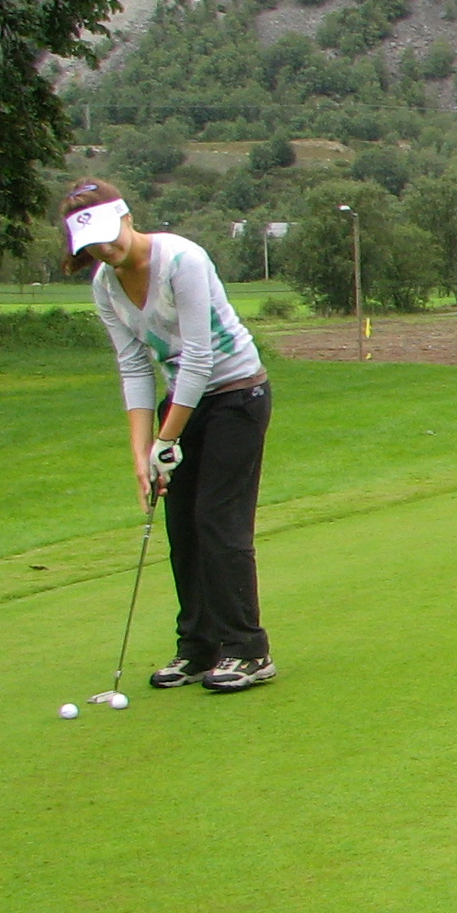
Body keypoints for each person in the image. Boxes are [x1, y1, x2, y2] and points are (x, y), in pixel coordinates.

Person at [63, 179, 277, 691]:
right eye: (90, 244)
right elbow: (134, 366)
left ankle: (247, 649)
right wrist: (142, 452)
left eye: (108, 235)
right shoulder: (105, 284)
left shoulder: (183, 259)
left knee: (217, 520)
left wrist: (166, 439)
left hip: (236, 395)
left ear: (127, 217)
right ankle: (199, 647)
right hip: (180, 403)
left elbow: (200, 359)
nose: (103, 249)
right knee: (182, 527)